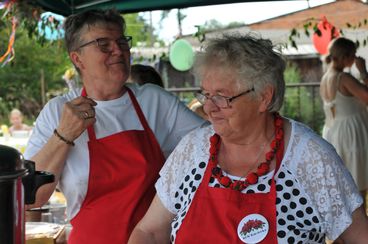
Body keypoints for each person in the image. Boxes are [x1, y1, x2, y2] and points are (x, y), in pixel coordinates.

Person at [128, 34, 368, 244]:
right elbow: (149, 232)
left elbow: (359, 237)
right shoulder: (193, 149)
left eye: (222, 97)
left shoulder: (309, 157)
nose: (209, 108)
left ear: (264, 97)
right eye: (206, 94)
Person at [23, 9, 206, 244]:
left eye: (121, 41)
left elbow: (212, 146)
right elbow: (32, 198)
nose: (118, 50)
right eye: (104, 44)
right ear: (77, 58)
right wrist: (63, 135)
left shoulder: (153, 101)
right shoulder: (57, 111)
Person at [320, 37, 368, 211]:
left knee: (344, 182)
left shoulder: (326, 76)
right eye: (353, 54)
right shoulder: (343, 78)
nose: (355, 57)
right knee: (357, 181)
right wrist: (363, 71)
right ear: (345, 56)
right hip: (351, 133)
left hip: (334, 131)